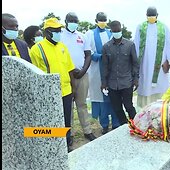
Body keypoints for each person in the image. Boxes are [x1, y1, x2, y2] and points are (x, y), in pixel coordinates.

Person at [29, 17, 75, 152]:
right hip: (49, 93)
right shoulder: (36, 49)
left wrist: (73, 88)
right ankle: (55, 146)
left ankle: (67, 144)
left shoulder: (62, 47)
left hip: (66, 90)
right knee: (52, 121)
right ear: (47, 32)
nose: (58, 33)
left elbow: (70, 68)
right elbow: (35, 73)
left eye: (59, 30)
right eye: (55, 31)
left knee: (66, 119)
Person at [61, 12, 96, 143]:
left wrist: (83, 70)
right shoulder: (60, 36)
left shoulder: (82, 36)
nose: (73, 23)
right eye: (71, 20)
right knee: (67, 106)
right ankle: (68, 135)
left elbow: (88, 55)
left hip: (82, 75)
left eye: (76, 20)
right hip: (65, 76)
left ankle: (87, 131)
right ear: (65, 21)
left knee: (81, 104)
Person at [134, 6, 170, 108]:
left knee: (160, 88)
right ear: (146, 16)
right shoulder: (140, 27)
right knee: (146, 86)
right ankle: (145, 110)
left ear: (157, 15)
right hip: (144, 64)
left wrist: (169, 60)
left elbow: (169, 44)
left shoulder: (164, 27)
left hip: (160, 64)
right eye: (149, 16)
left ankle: (161, 110)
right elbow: (136, 44)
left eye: (153, 15)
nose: (151, 17)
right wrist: (135, 61)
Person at [85, 12, 119, 134]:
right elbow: (88, 51)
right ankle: (104, 125)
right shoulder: (90, 34)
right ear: (96, 20)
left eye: (105, 20)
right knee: (102, 100)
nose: (103, 22)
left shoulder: (111, 33)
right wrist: (101, 56)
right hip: (97, 71)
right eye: (101, 20)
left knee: (114, 97)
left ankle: (116, 123)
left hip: (111, 71)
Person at [101, 20, 139, 125]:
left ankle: (137, 126)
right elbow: (104, 66)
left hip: (126, 82)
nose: (117, 32)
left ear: (121, 30)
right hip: (112, 84)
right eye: (114, 31)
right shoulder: (106, 47)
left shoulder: (130, 45)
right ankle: (124, 126)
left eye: (118, 30)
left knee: (129, 106)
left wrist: (136, 79)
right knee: (117, 109)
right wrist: (104, 82)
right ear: (111, 31)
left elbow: (135, 63)